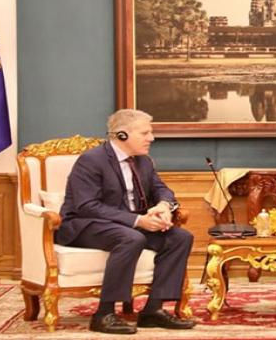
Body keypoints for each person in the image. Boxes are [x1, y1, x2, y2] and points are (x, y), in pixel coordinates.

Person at [56, 109, 195, 334]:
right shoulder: (91, 161)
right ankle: (104, 314)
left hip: (126, 225)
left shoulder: (144, 162)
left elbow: (162, 190)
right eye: (145, 133)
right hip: (85, 225)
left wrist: (163, 206)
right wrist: (138, 220)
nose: (151, 138)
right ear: (122, 135)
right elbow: (86, 206)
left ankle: (153, 311)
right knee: (131, 238)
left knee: (180, 237)